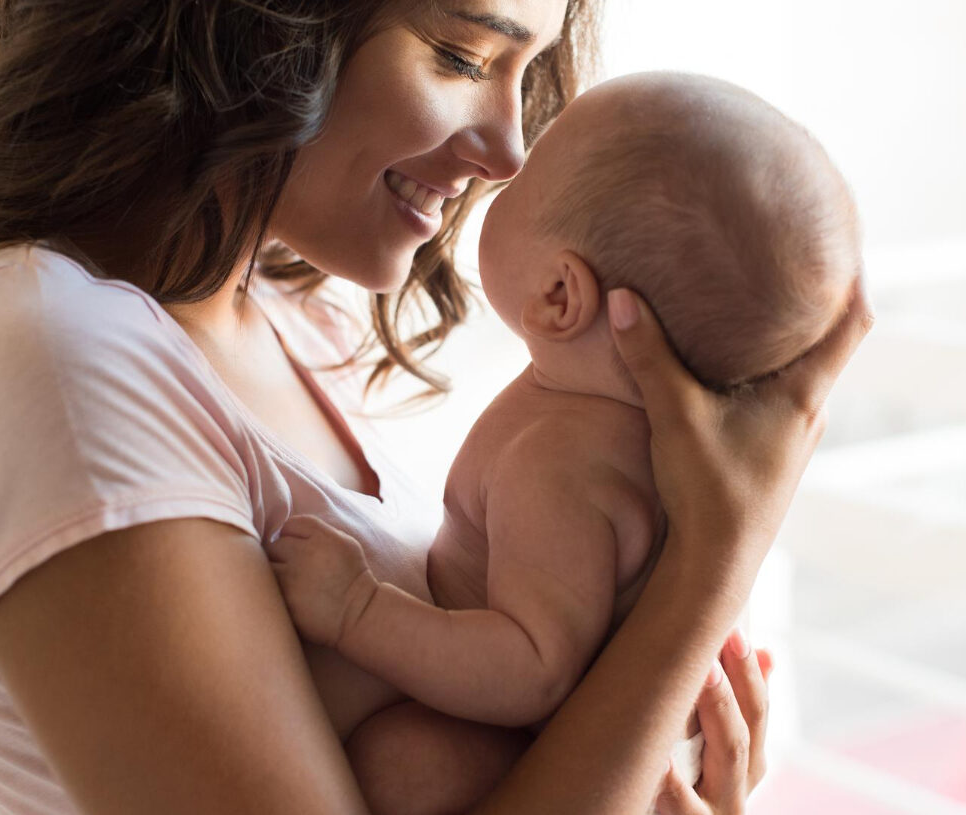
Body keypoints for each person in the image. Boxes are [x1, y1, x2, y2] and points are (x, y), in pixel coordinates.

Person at [0, 3, 872, 815]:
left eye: (528, 73)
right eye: (461, 57)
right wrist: (712, 568)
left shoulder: (298, 315)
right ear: (269, 25)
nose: (514, 151)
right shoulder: (56, 352)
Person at [267, 71, 863, 814]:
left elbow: (530, 667)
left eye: (525, 183)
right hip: (605, 753)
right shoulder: (625, 438)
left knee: (406, 767)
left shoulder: (564, 462)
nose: (505, 165)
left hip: (562, 755)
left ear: (558, 296)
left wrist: (356, 607)